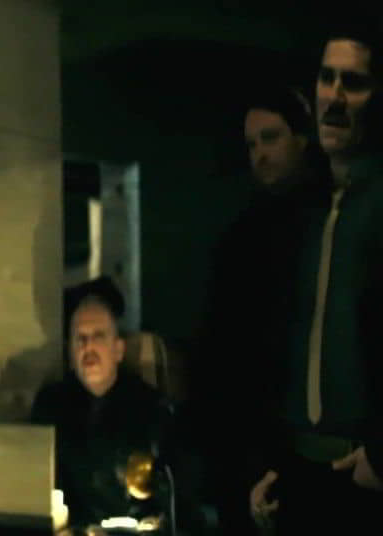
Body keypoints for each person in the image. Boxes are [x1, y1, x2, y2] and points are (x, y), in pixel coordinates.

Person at [249, 33, 383, 534]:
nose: (335, 97)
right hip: (300, 469)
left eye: (354, 83)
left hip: (365, 474)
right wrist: (269, 460)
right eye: (327, 79)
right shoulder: (304, 210)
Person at [190, 85, 326, 534]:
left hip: (303, 438)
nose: (260, 154)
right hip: (248, 439)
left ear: (301, 139)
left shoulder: (325, 223)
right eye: (251, 144)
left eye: (270, 138)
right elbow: (224, 345)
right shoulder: (243, 233)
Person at [30, 279, 197, 532]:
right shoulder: (49, 407)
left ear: (118, 349)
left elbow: (179, 501)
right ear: (70, 354)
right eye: (80, 338)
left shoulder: (151, 409)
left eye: (98, 336)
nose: (88, 347)